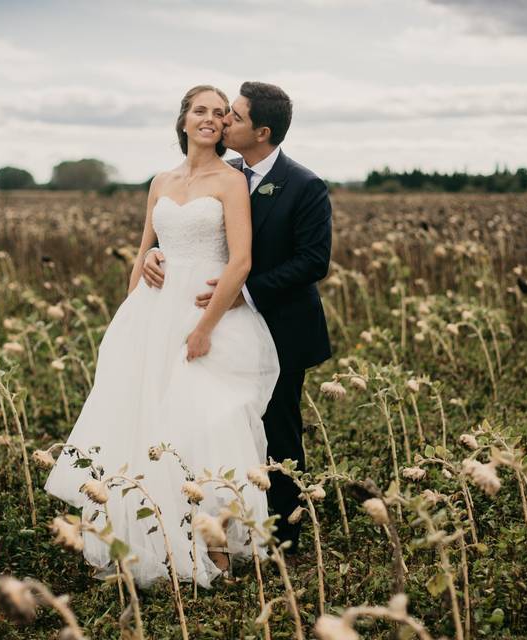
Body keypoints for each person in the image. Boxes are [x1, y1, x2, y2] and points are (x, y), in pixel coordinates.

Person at [44, 84, 281, 590]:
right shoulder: (160, 181)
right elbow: (145, 249)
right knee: (144, 421)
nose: (211, 119)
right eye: (201, 110)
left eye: (220, 113)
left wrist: (203, 329)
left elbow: (241, 261)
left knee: (205, 422)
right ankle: (146, 540)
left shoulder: (231, 180)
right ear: (183, 120)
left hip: (205, 314)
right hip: (155, 313)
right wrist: (133, 309)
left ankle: (214, 547)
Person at [143, 81, 333, 557]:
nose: (224, 122)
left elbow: (313, 261)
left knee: (277, 428)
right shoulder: (223, 172)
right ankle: (221, 526)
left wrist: (241, 292)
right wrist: (157, 256)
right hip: (213, 319)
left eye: (235, 116)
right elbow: (192, 232)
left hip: (282, 325)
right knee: (215, 422)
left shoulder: (304, 185)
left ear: (261, 131)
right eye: (220, 114)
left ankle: (285, 537)